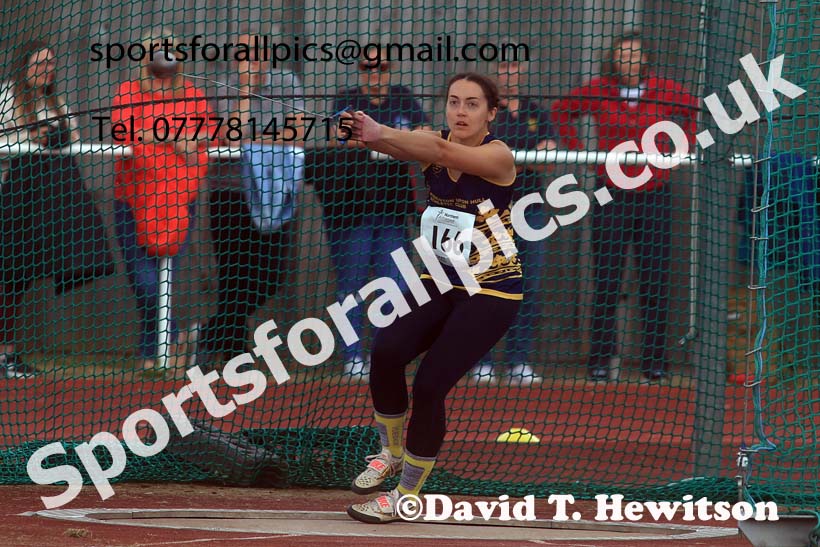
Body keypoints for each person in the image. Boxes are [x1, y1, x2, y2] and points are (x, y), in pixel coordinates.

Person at [341, 72, 522, 523]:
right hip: (441, 280)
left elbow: (438, 151)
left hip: (491, 291)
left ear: (491, 113)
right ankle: (392, 451)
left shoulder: (498, 155)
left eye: (472, 104)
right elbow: (396, 146)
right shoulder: (430, 139)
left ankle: (405, 497)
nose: (460, 111)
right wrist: (362, 130)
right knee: (385, 351)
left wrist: (380, 131)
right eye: (454, 101)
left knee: (429, 385)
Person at [550, 31, 697, 382]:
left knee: (654, 280)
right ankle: (602, 359)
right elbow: (561, 112)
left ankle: (654, 363)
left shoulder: (667, 90)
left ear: (645, 58)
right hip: (610, 195)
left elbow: (693, 114)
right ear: (613, 59)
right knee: (606, 280)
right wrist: (584, 156)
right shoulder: (599, 89)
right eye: (622, 55)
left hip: (655, 195)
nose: (629, 61)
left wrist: (679, 152)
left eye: (635, 54)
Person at [0, 40, 115, 378]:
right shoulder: (7, 97)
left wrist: (52, 134)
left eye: (50, 64)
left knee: (17, 281)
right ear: (24, 67)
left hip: (39, 207)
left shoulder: (56, 102)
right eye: (39, 64)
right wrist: (28, 138)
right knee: (6, 279)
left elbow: (72, 142)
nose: (45, 70)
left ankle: (7, 355)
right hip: (10, 199)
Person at [192, 28, 305, 371]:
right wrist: (244, 95)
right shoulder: (226, 87)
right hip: (230, 193)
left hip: (274, 191)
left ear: (268, 57)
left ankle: (210, 334)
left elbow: (297, 132)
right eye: (242, 55)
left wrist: (255, 142)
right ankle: (234, 356)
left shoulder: (287, 83)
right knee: (233, 277)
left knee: (270, 276)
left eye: (255, 54)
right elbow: (230, 137)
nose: (249, 62)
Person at [111, 31, 215, 373]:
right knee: (145, 281)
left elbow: (209, 132)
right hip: (133, 198)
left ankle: (153, 353)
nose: (164, 55)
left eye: (170, 49)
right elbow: (125, 130)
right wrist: (175, 137)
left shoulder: (193, 94)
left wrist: (186, 138)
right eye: (156, 50)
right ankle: (172, 340)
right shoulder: (128, 92)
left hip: (179, 198)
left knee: (166, 278)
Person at [325, 54, 431, 380]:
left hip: (393, 212)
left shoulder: (403, 97)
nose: (374, 74)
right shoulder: (348, 100)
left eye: (381, 67)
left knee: (394, 286)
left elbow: (425, 133)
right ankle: (353, 358)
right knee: (351, 287)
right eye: (367, 68)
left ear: (391, 70)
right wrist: (393, 139)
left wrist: (381, 138)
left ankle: (384, 354)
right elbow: (338, 136)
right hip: (352, 211)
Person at [471, 59, 557, 386]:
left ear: (523, 69)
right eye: (502, 66)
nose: (509, 72)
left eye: (514, 65)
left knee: (527, 288)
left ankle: (519, 361)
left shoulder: (536, 111)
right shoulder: (482, 111)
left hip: (530, 210)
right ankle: (482, 361)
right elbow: (479, 160)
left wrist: (512, 162)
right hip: (489, 211)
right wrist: (523, 160)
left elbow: (549, 158)